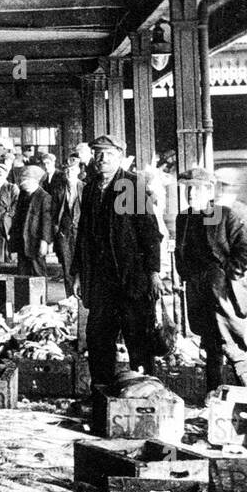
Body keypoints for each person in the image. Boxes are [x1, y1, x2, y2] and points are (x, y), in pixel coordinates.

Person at [75, 134, 163, 386]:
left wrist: (153, 272)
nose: (102, 159)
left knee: (137, 338)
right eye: (98, 154)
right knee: (98, 337)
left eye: (109, 155)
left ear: (120, 158)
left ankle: (143, 393)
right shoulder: (92, 187)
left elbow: (149, 231)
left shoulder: (130, 185)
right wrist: (80, 273)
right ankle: (102, 393)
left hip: (131, 278)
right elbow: (83, 234)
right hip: (102, 281)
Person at [173, 167, 247, 390]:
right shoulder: (185, 218)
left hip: (222, 291)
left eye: (197, 189)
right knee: (210, 345)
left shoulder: (222, 214)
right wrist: (188, 275)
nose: (190, 194)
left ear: (209, 191)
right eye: (188, 189)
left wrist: (228, 277)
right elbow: (181, 252)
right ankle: (213, 396)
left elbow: (244, 252)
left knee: (229, 343)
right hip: (198, 290)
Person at [50, 153, 85, 296]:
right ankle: (70, 298)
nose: (69, 172)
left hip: (82, 233)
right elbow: (53, 212)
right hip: (64, 233)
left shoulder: (86, 188)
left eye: (73, 169)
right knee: (67, 266)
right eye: (67, 170)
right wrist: (56, 231)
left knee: (83, 265)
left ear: (79, 171)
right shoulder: (58, 190)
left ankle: (83, 300)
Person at [12, 165, 53, 277]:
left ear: (34, 181)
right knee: (22, 275)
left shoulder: (45, 197)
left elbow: (47, 222)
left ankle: (40, 295)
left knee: (38, 273)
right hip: (22, 242)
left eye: (25, 181)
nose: (22, 184)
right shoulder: (23, 195)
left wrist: (44, 241)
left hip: (36, 243)